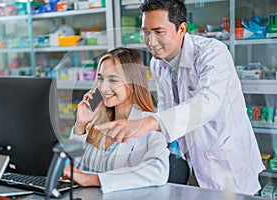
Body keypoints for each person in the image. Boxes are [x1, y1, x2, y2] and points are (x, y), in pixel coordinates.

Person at [95, 0, 265, 195]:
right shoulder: (158, 63)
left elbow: (207, 104)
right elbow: (166, 110)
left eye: (159, 32)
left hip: (228, 165)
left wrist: (150, 123)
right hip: (194, 163)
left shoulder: (212, 53)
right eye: (146, 32)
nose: (151, 42)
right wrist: (139, 141)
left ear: (181, 29)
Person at [62, 47, 170, 193]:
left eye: (113, 80)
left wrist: (93, 180)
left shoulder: (149, 124)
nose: (104, 87)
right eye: (100, 79)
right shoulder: (97, 123)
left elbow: (158, 172)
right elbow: (71, 171)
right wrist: (80, 125)